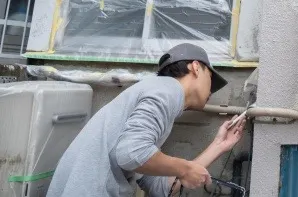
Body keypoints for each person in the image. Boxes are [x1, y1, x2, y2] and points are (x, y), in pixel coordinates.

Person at [47, 43, 246, 197]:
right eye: (210, 77)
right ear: (195, 67)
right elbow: (131, 154)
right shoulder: (167, 90)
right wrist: (185, 168)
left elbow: (158, 186)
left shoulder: (158, 95)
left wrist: (218, 146)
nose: (211, 90)